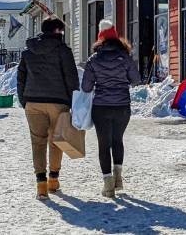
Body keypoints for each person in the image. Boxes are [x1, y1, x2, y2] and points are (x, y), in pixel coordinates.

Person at [17, 17, 78, 200]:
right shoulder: (63, 51)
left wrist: (24, 100)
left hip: (33, 102)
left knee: (38, 142)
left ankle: (41, 185)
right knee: (56, 140)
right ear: (57, 31)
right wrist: (73, 101)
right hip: (58, 102)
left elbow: (21, 79)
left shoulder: (28, 52)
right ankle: (53, 179)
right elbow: (71, 78)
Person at [81, 19, 142, 199]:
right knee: (118, 140)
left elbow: (86, 87)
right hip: (122, 106)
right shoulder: (125, 57)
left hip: (101, 107)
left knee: (103, 144)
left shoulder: (94, 59)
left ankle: (108, 186)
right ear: (116, 38)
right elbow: (136, 80)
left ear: (100, 39)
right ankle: (118, 178)